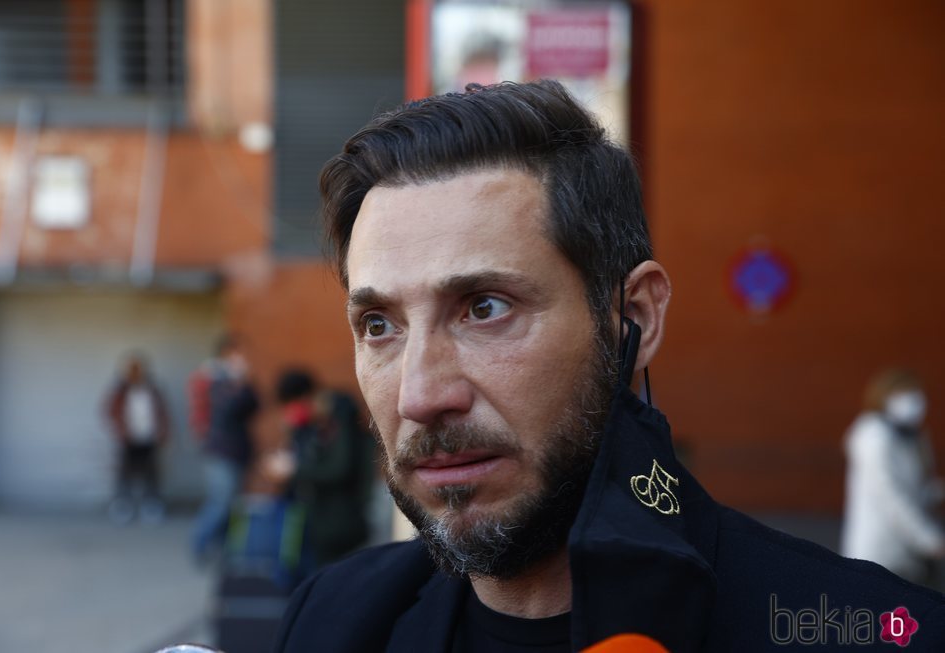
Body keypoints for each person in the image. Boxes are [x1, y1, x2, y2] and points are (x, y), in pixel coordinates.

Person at [273, 81, 945, 652]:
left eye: (484, 307)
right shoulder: (332, 620)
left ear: (636, 318)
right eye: (380, 324)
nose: (420, 395)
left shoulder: (863, 630)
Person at [842, 368, 945, 586]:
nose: (914, 402)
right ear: (884, 396)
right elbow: (889, 496)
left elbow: (917, 489)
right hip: (879, 552)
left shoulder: (913, 435)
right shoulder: (873, 435)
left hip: (909, 555)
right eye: (904, 394)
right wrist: (929, 540)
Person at [275, 370, 374, 570]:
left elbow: (338, 468)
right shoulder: (317, 425)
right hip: (319, 517)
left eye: (293, 405)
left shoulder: (341, 420)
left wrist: (293, 470)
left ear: (306, 397)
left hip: (340, 522)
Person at [190, 334, 260, 562]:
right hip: (219, 451)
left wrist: (244, 383)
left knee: (231, 503)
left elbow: (254, 405)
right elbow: (227, 411)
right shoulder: (211, 379)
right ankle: (199, 544)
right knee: (221, 501)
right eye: (238, 353)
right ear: (226, 354)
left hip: (237, 450)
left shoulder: (236, 380)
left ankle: (223, 549)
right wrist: (238, 383)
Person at [104, 353, 170, 524]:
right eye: (132, 369)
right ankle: (123, 507)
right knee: (125, 474)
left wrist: (163, 431)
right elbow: (110, 411)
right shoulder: (120, 390)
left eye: (138, 368)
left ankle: (151, 507)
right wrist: (120, 430)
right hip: (128, 440)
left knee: (151, 474)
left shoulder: (152, 389)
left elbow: (163, 412)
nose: (135, 372)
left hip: (149, 439)